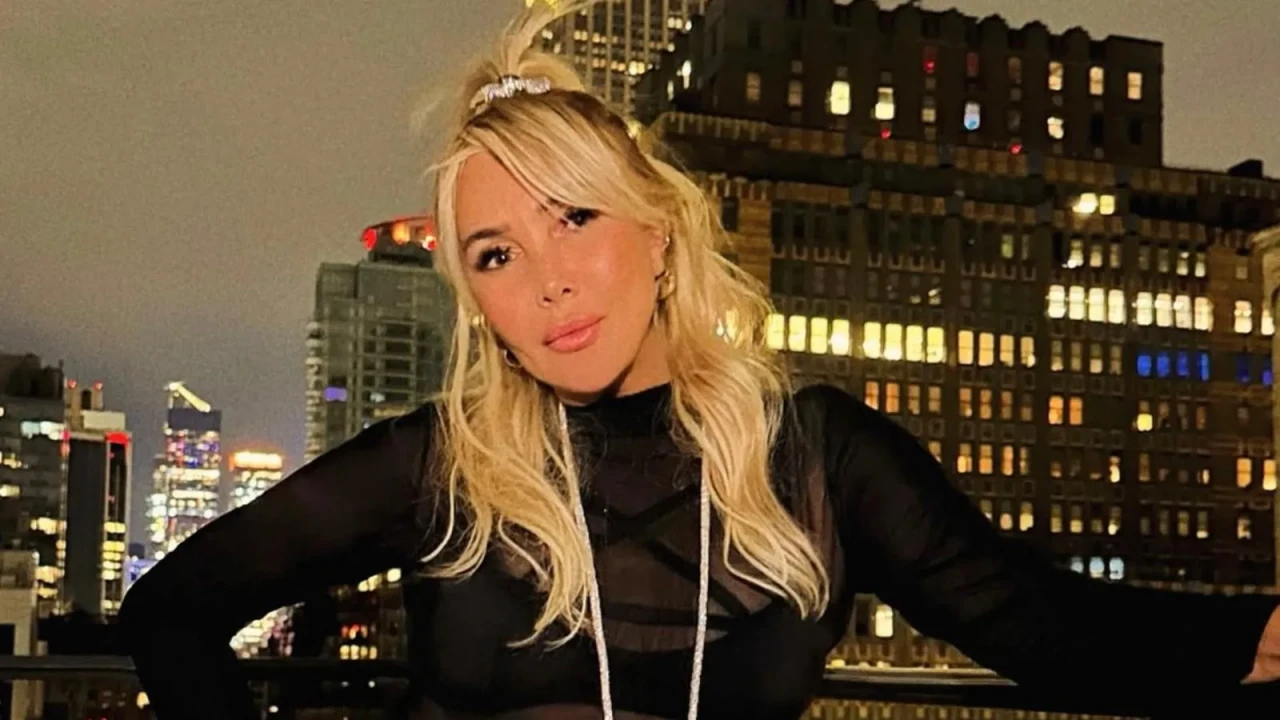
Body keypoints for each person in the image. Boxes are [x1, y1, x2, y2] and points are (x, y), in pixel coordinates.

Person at [120, 2, 1280, 718]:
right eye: (495, 254)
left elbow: (1040, 626)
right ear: (474, 299)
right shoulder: (443, 465)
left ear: (659, 235)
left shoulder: (816, 459)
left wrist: (1247, 638)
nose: (547, 281)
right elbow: (173, 610)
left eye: (575, 218)